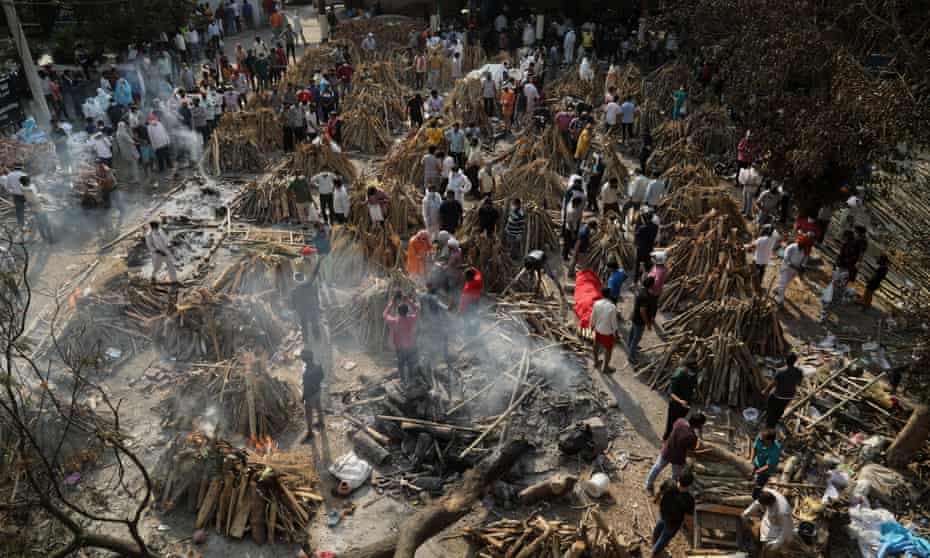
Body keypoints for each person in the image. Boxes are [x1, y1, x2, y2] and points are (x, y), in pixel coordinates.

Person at [652, 471, 695, 558]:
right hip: (673, 523)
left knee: (659, 526)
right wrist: (692, 532)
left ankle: (654, 541)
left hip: (663, 514)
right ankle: (655, 552)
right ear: (690, 485)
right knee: (664, 538)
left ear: (678, 478)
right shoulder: (689, 500)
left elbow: (659, 491)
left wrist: (655, 499)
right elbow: (688, 519)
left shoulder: (669, 483)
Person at [742, 488, 794, 555]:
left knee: (781, 548)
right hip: (770, 521)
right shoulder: (766, 492)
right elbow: (757, 503)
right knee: (766, 543)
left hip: (781, 527)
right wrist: (746, 513)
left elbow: (785, 530)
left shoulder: (783, 511)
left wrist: (777, 543)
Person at [383, 294, 420, 385]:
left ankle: (403, 381)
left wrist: (391, 303)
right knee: (410, 363)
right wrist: (408, 300)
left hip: (399, 348)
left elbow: (384, 314)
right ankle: (411, 380)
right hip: (411, 346)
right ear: (407, 311)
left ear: (398, 311)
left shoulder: (394, 321)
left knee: (401, 364)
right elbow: (418, 310)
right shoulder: (411, 319)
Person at [291, 247, 322, 344]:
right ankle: (315, 337)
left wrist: (294, 308)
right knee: (313, 319)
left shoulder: (295, 289)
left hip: (303, 305)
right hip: (309, 302)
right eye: (311, 254)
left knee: (304, 321)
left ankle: (308, 339)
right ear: (306, 255)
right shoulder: (301, 264)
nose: (313, 256)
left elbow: (293, 301)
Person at [764, 353, 803, 428]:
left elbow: (773, 384)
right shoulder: (799, 371)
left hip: (778, 395)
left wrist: (766, 391)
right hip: (789, 396)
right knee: (781, 409)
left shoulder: (780, 371)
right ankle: (776, 420)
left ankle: (769, 424)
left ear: (786, 360)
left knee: (771, 408)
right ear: (795, 361)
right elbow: (799, 383)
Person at [663, 358, 698, 440]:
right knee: (671, 423)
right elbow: (671, 393)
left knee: (680, 421)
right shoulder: (678, 376)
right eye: (690, 370)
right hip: (675, 405)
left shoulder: (694, 372)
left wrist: (697, 392)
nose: (692, 373)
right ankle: (667, 438)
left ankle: (675, 436)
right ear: (685, 368)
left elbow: (694, 383)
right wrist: (680, 401)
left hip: (687, 403)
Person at [774, 236, 812, 306]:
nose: (803, 246)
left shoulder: (805, 250)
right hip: (786, 268)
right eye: (803, 245)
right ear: (799, 243)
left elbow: (804, 262)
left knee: (786, 283)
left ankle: (777, 289)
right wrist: (796, 267)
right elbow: (786, 260)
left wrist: (802, 269)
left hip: (794, 271)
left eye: (805, 245)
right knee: (783, 283)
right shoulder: (791, 247)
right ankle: (780, 299)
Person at [628, 276, 657, 365]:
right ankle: (631, 356)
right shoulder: (645, 296)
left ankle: (630, 345)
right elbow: (642, 311)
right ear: (651, 285)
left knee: (632, 332)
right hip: (640, 320)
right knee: (637, 338)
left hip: (635, 316)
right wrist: (647, 323)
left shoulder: (640, 290)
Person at [591, 288, 619, 374]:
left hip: (598, 330)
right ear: (609, 295)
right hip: (607, 332)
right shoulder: (612, 307)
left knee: (596, 346)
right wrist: (616, 334)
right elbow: (614, 323)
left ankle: (596, 362)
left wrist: (592, 326)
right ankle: (605, 368)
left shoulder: (596, 303)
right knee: (608, 350)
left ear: (601, 294)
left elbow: (593, 316)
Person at [750, 428, 782, 500]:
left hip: (766, 470)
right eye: (760, 439)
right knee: (750, 479)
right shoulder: (760, 437)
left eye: (762, 440)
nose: (760, 440)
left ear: (769, 441)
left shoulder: (775, 450)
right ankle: (750, 489)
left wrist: (757, 472)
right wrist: (751, 460)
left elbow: (769, 466)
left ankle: (755, 499)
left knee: (758, 487)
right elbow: (754, 448)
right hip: (757, 462)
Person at [300, 348, 324, 440]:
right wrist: (316, 384)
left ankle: (310, 433)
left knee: (309, 414)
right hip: (318, 390)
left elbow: (306, 388)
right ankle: (321, 422)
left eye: (302, 357)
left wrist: (303, 398)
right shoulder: (318, 365)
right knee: (319, 407)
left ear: (305, 359)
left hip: (310, 396)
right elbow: (322, 376)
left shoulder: (306, 373)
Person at [747, 225, 778, 293]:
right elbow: (775, 232)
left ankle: (752, 287)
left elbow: (751, 246)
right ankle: (758, 285)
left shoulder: (761, 240)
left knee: (754, 273)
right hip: (765, 260)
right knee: (761, 273)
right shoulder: (773, 239)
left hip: (757, 260)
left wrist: (749, 243)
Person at [634, 212, 659, 282]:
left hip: (641, 249)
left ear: (645, 219)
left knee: (638, 265)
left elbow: (636, 235)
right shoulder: (655, 227)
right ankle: (647, 282)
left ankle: (635, 281)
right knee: (648, 265)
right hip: (650, 248)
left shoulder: (642, 228)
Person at [460, 266, 483, 337]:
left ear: (469, 277)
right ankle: (476, 329)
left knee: (467, 318)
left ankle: (469, 332)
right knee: (475, 314)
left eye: (466, 277)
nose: (465, 278)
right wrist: (471, 268)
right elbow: (476, 270)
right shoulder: (478, 277)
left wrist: (461, 310)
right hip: (477, 300)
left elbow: (464, 302)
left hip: (470, 303)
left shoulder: (468, 288)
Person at [562, 196, 584, 261]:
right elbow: (570, 223)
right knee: (567, 243)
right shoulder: (571, 211)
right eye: (579, 204)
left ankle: (565, 254)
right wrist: (572, 233)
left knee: (568, 243)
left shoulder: (572, 208)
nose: (579, 205)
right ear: (576, 203)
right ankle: (565, 256)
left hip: (572, 228)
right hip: (570, 229)